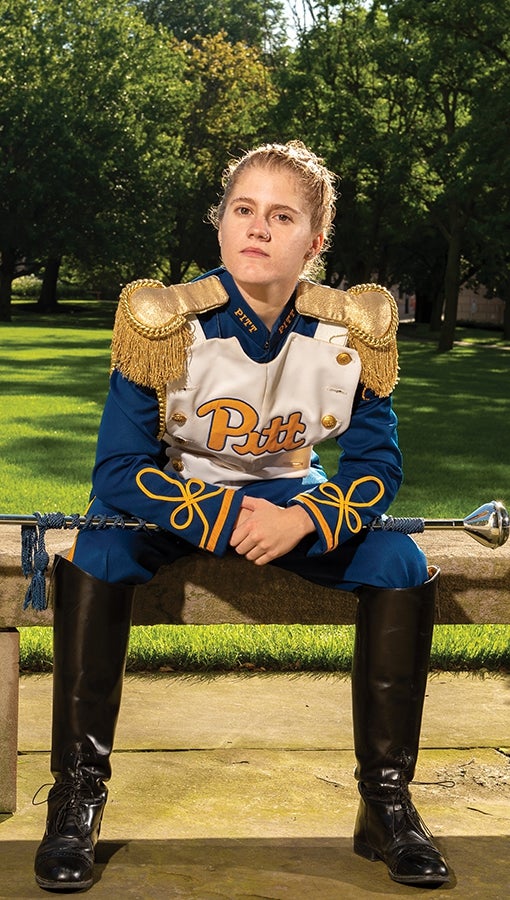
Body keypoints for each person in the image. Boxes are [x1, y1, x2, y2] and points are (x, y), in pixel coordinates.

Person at [34, 140, 450, 891]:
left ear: (314, 243)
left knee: (402, 563)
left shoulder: (351, 329)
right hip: (177, 498)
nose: (258, 228)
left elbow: (377, 469)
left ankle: (385, 804)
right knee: (93, 552)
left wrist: (305, 521)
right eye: (243, 210)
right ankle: (76, 798)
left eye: (282, 215)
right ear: (221, 225)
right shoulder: (161, 319)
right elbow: (120, 471)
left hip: (293, 498)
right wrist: (226, 520)